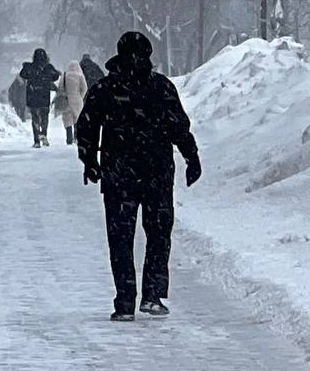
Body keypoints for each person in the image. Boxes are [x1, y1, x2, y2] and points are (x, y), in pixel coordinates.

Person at [75, 31, 202, 320]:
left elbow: (87, 127)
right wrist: (191, 157)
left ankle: (124, 302)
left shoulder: (105, 89)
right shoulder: (161, 87)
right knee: (158, 235)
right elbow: (179, 127)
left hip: (118, 174)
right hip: (156, 173)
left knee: (121, 238)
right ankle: (153, 295)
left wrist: (90, 160)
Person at [18, 47, 63, 147]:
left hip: (32, 96)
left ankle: (36, 140)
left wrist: (26, 67)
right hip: (44, 96)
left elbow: (22, 74)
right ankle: (43, 134)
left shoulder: (30, 67)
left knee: (35, 118)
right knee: (44, 117)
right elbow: (55, 76)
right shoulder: (48, 68)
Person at [56, 55, 90, 146]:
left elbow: (60, 88)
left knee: (68, 120)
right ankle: (76, 137)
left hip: (67, 99)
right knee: (77, 119)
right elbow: (84, 88)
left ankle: (69, 139)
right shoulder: (80, 76)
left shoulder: (65, 75)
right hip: (77, 100)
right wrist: (80, 96)